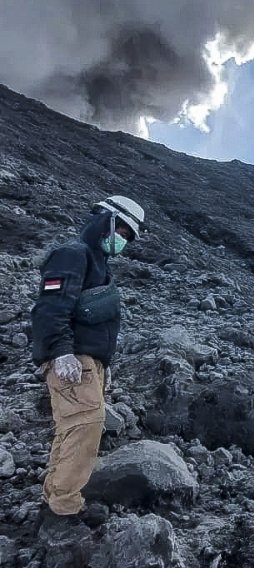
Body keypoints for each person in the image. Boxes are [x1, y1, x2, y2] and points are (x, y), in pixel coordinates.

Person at [31, 196, 145, 528]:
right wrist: (61, 352)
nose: (122, 238)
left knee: (73, 428)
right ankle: (64, 510)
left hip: (86, 362)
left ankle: (54, 495)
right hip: (71, 359)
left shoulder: (97, 262)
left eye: (128, 235)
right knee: (86, 425)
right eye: (120, 229)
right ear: (104, 220)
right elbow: (51, 307)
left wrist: (101, 366)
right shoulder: (74, 254)